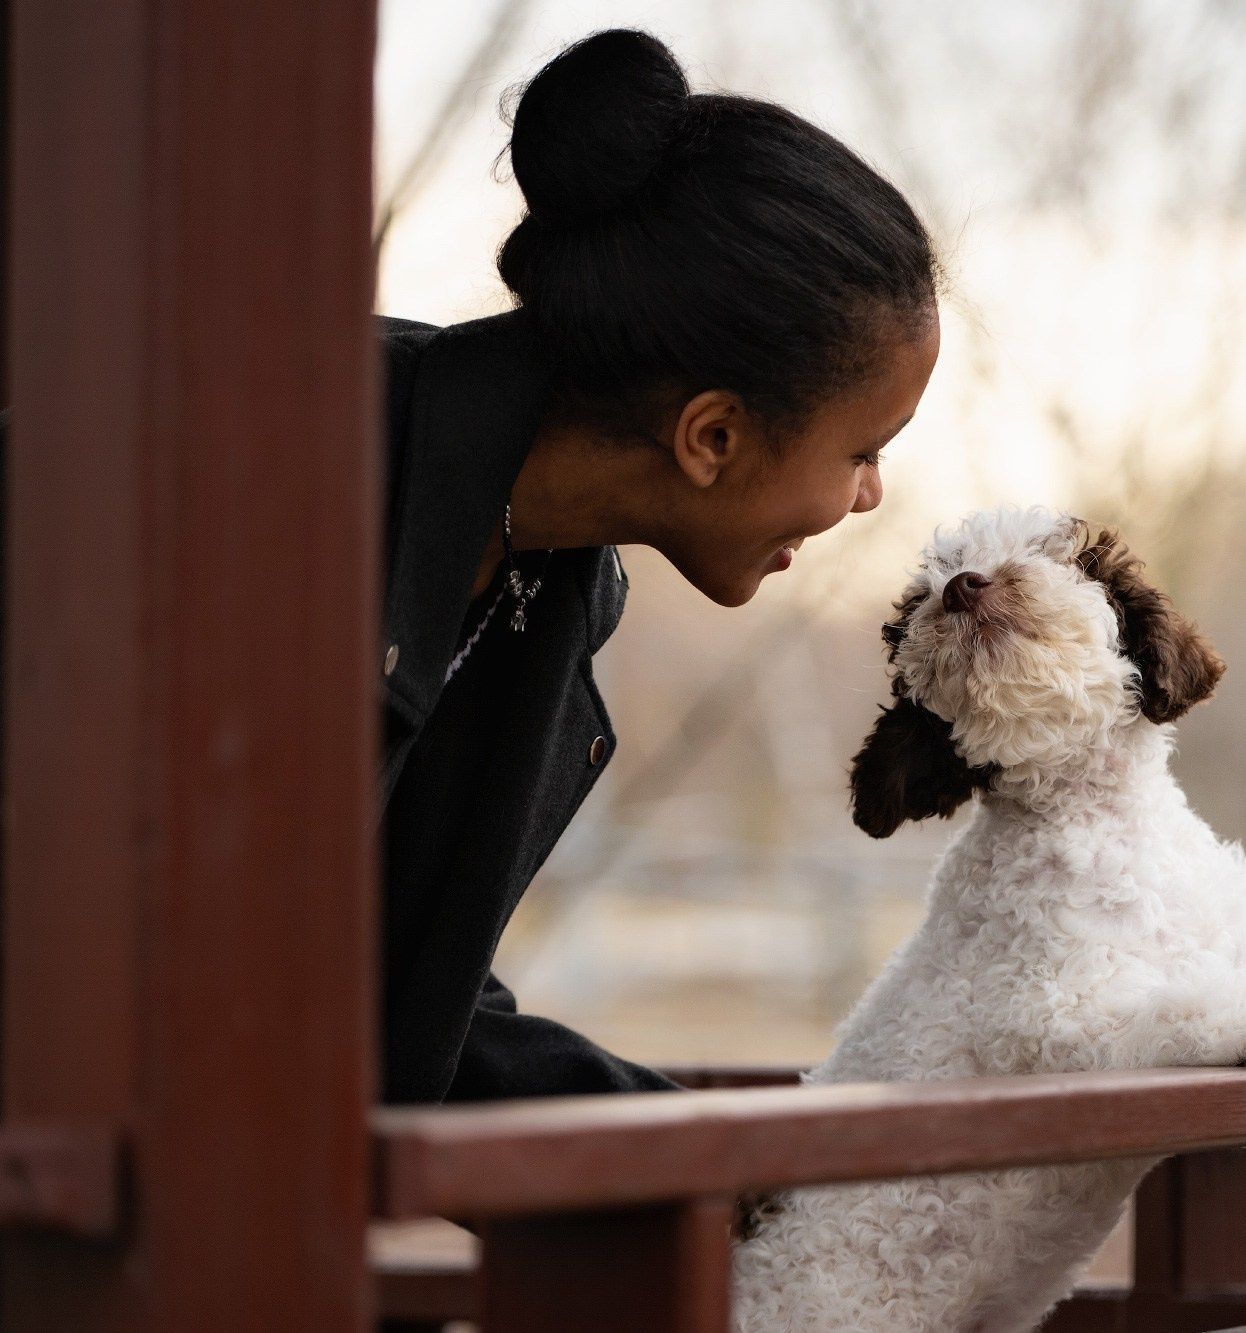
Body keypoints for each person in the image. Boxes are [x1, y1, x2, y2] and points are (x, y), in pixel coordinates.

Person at [377, 29, 939, 1103]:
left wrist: (743, 1183)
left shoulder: (552, 589)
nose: (868, 495)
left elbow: (401, 1016)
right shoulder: (294, 466)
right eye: (862, 451)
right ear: (712, 437)